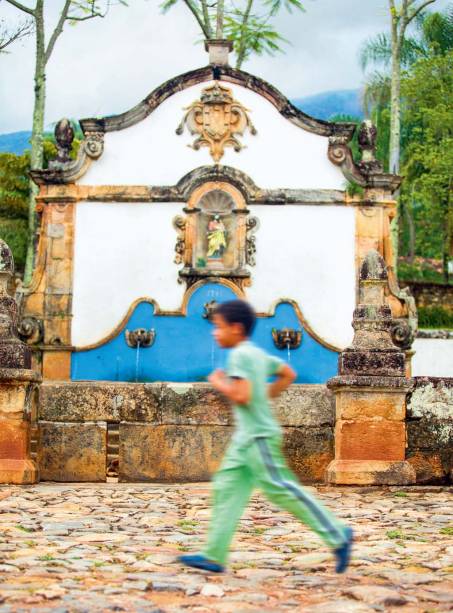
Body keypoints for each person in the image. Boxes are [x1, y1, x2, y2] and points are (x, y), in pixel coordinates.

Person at [178, 299, 353, 574]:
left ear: (236, 329)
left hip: (258, 438)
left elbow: (241, 395)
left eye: (218, 327)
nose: (214, 332)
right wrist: (266, 394)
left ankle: (339, 535)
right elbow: (287, 373)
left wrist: (218, 381)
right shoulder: (257, 355)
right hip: (245, 440)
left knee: (281, 488)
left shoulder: (240, 356)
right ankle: (214, 554)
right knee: (226, 486)